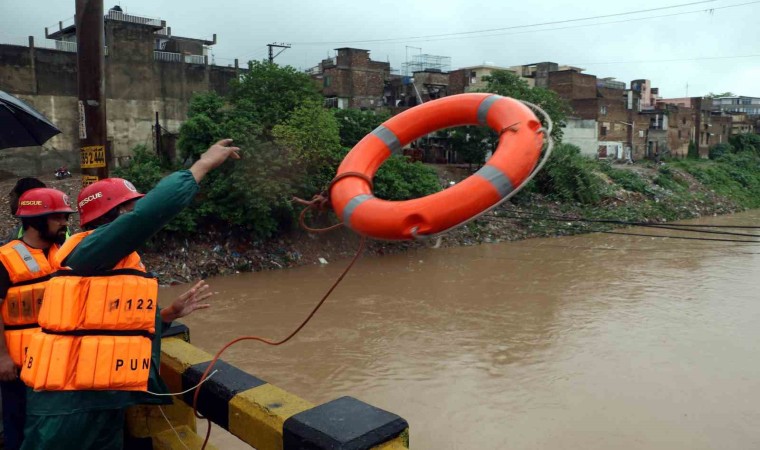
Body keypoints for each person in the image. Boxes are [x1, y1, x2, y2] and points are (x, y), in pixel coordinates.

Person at [19, 139, 240, 450]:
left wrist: (169, 314)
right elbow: (147, 216)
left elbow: (105, 324)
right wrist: (201, 166)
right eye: (131, 206)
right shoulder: (89, 250)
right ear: (118, 212)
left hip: (103, 398)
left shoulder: (108, 259)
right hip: (68, 404)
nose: (137, 210)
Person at [0, 187, 75, 450]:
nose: (65, 223)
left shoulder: (66, 253)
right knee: (18, 427)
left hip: (58, 360)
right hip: (19, 367)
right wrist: (2, 357)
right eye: (58, 217)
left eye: (66, 217)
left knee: (56, 429)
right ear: (34, 220)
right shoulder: (5, 258)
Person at [2, 178, 47, 246]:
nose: (10, 201)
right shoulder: (25, 227)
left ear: (23, 198)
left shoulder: (48, 234)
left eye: (12, 196)